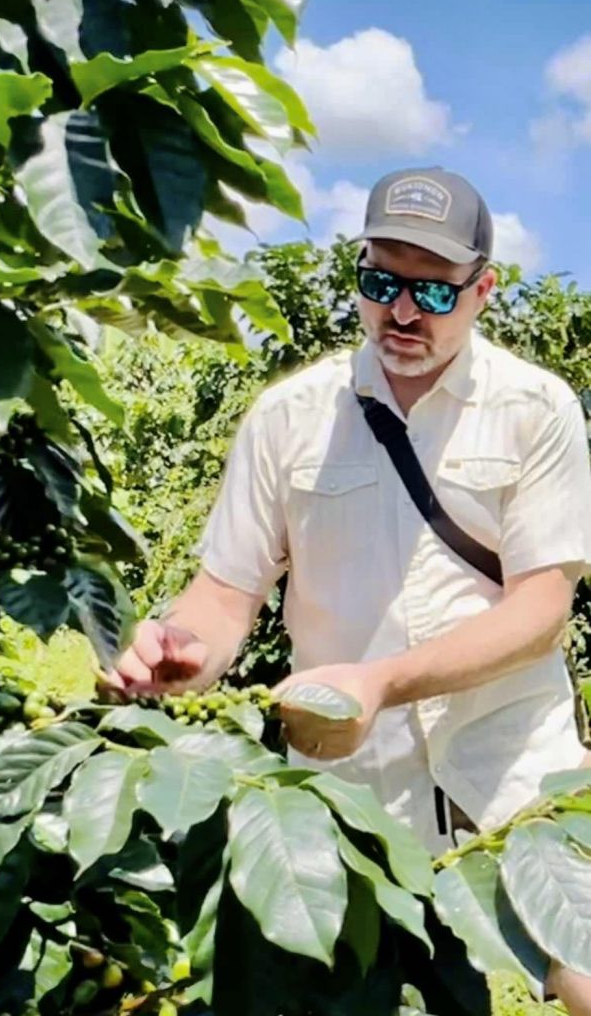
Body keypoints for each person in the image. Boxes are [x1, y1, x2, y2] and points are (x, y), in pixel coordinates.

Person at [105, 167, 591, 1014]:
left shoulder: (535, 410)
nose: (401, 314)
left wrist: (379, 682)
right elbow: (224, 594)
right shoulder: (289, 417)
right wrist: (178, 651)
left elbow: (539, 610)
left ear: (484, 290)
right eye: (380, 284)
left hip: (512, 777)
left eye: (433, 293)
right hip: (351, 797)